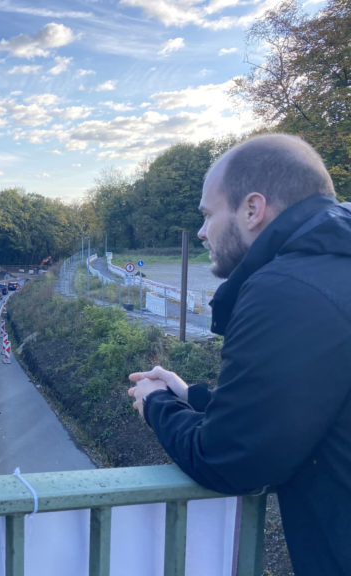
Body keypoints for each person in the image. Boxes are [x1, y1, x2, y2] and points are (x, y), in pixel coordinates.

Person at [127, 134, 351, 576]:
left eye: (209, 215)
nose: (201, 232)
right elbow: (305, 404)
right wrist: (192, 395)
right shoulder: (331, 266)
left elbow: (230, 458)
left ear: (252, 209)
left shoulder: (287, 289)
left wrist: (156, 402)